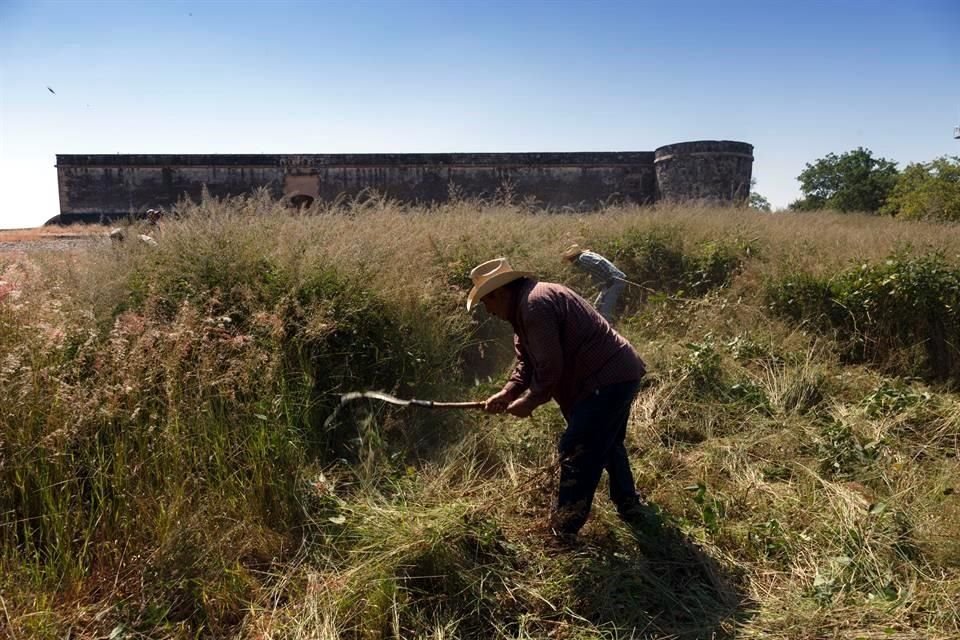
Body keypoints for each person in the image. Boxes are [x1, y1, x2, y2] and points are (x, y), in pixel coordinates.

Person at [467, 257, 655, 539]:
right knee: (607, 442)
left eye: (486, 302)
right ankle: (630, 505)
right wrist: (507, 393)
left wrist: (529, 401)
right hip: (613, 376)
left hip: (607, 379)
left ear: (501, 292)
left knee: (577, 449)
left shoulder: (534, 306)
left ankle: (564, 529)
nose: (488, 310)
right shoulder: (526, 306)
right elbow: (527, 364)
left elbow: (549, 366)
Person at [562, 244, 625, 324]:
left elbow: (599, 263)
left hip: (614, 280)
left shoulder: (583, 258)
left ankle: (607, 329)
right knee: (596, 307)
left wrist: (609, 278)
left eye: (570, 260)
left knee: (605, 311)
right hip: (609, 282)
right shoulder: (585, 257)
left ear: (573, 257)